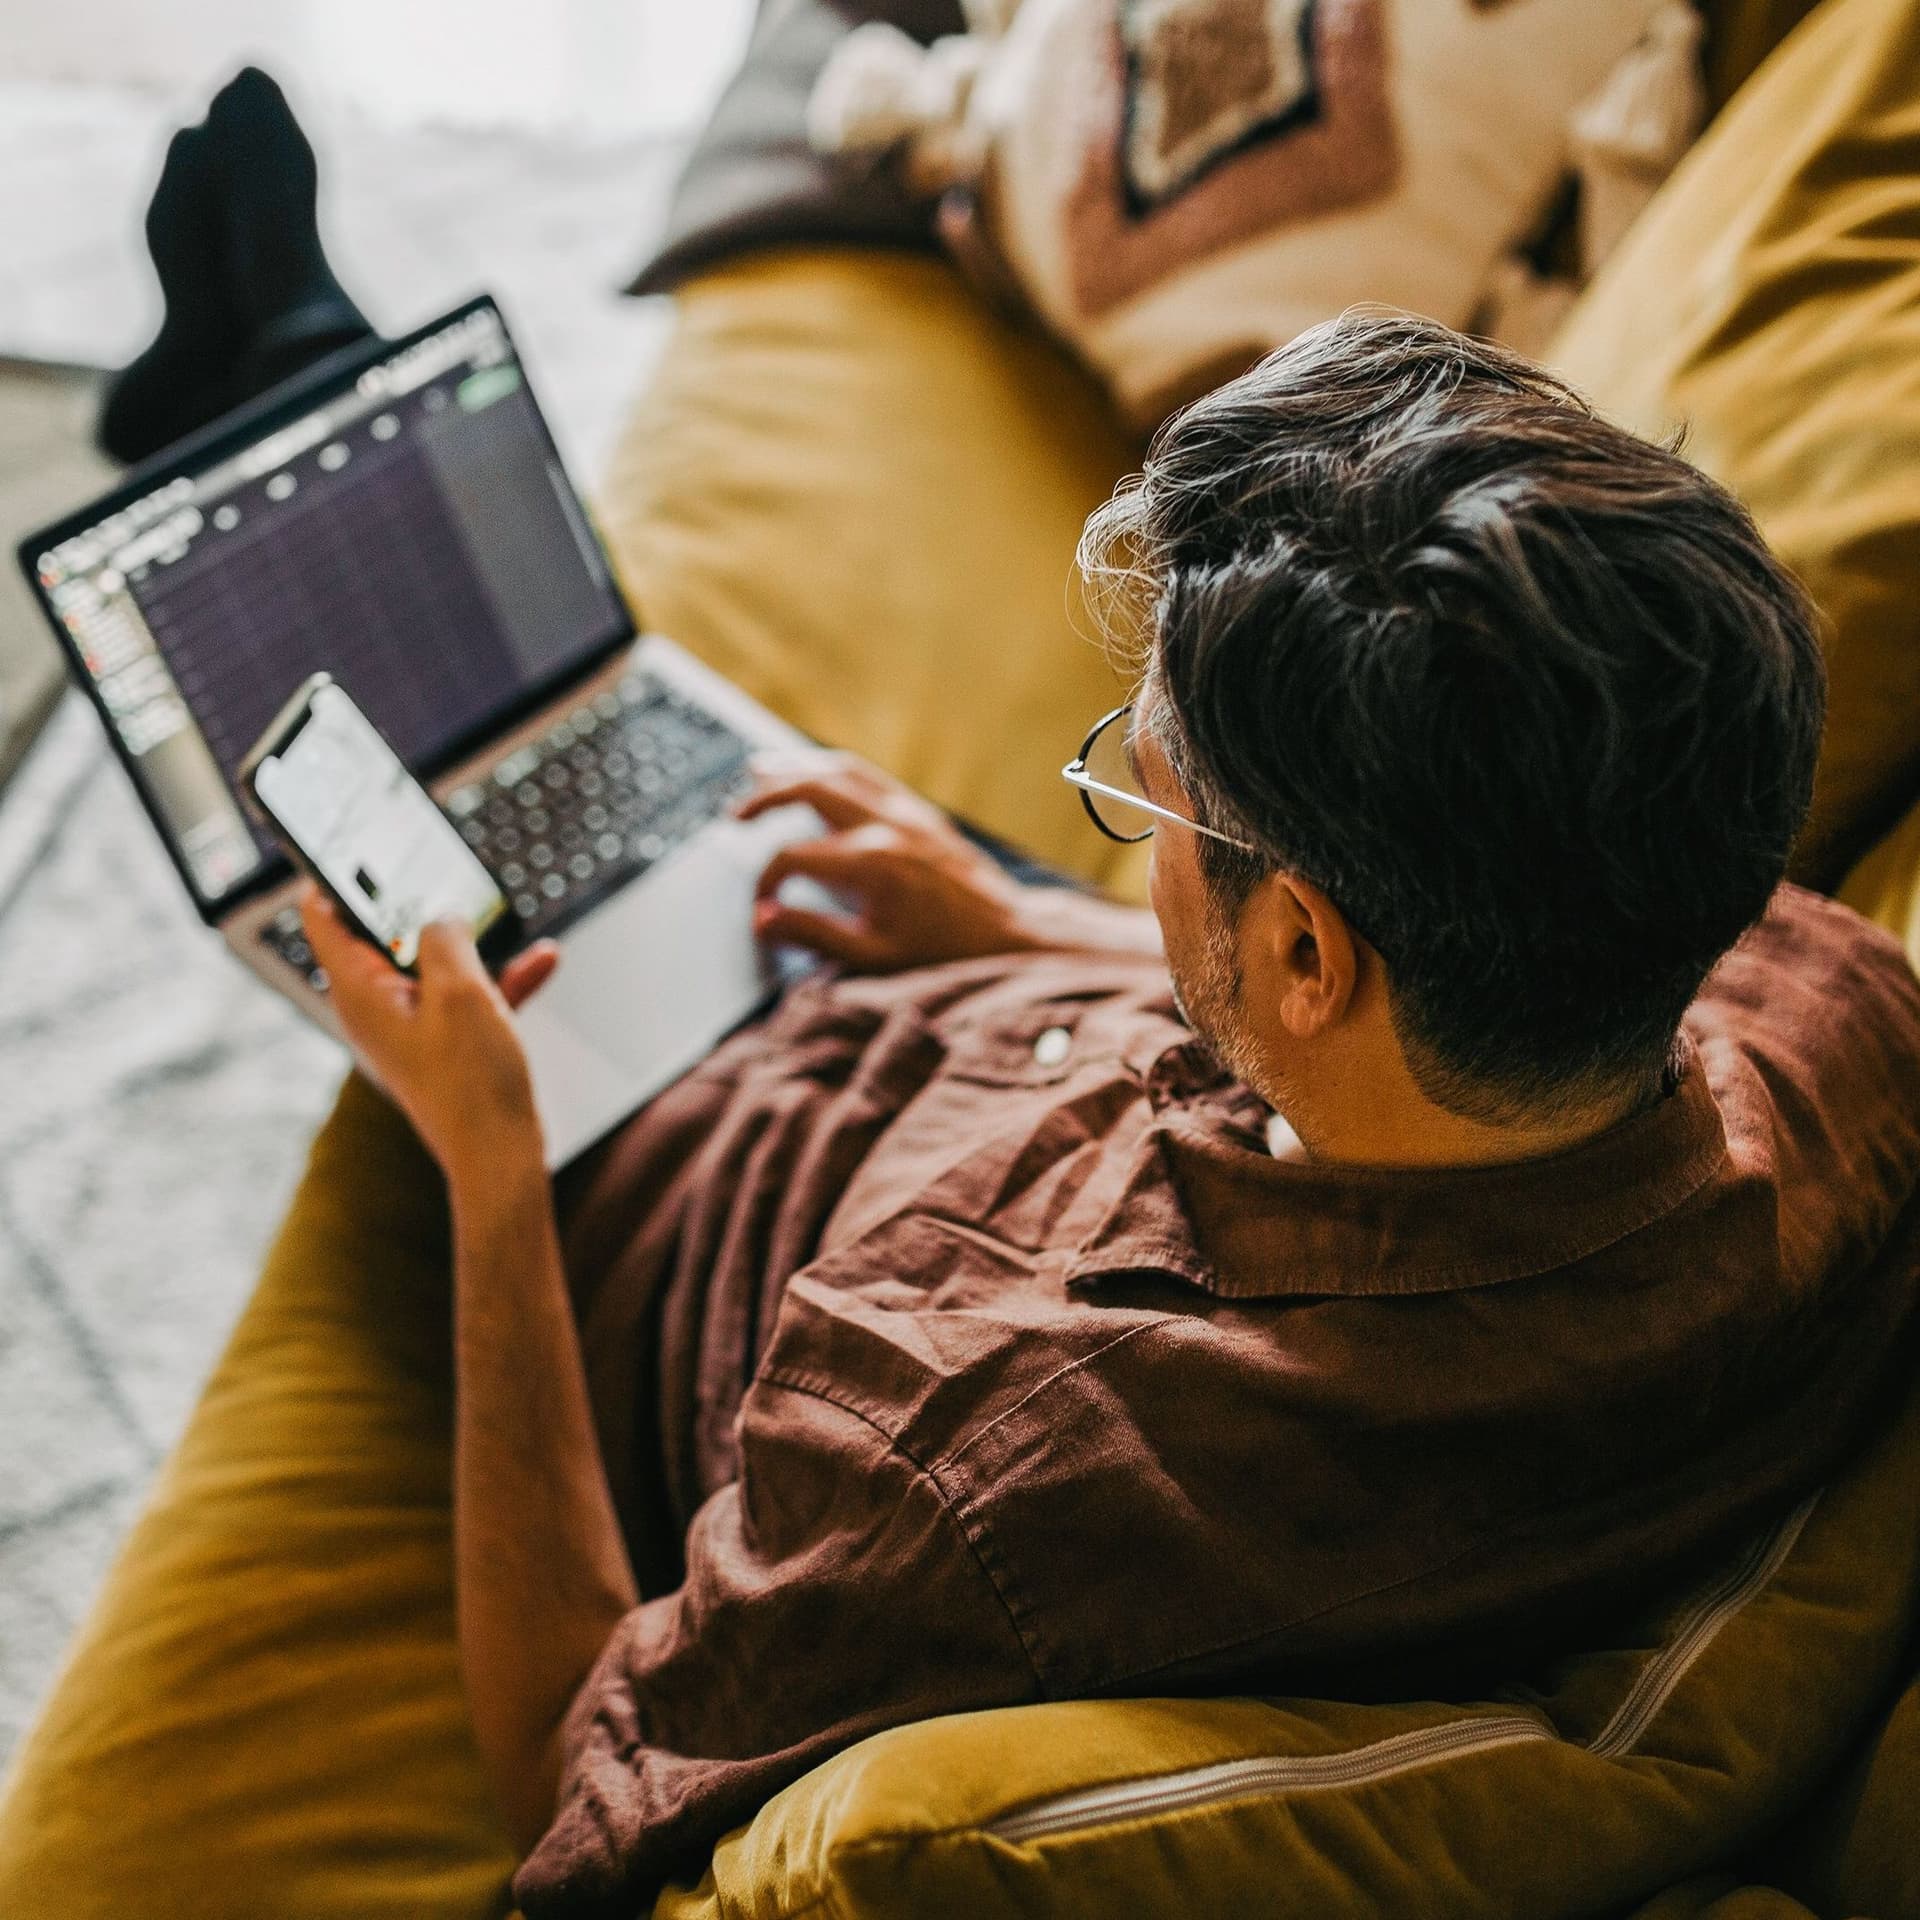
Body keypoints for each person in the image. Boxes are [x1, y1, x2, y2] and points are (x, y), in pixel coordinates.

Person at [300, 311, 1920, 1917]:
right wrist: (1026, 926)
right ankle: (285, 335)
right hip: (1009, 1005)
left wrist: (489, 1162)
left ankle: (281, 353)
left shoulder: (968, 1468)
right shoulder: (1840, 1027)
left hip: (647, 1146)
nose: (1135, 829)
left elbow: (565, 1777)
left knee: (344, 687)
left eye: (1145, 785)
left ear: (1300, 949)